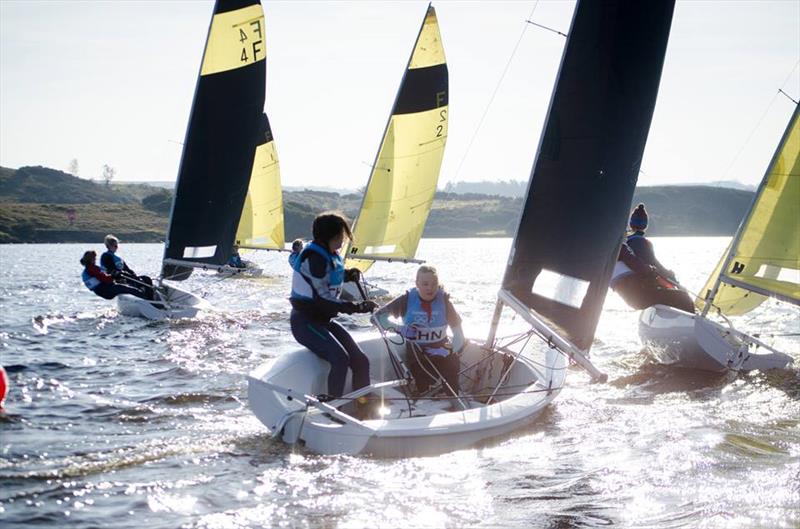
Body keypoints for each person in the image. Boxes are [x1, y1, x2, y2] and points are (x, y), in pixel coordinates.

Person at [289, 212, 377, 406]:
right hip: (305, 322)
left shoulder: (328, 254)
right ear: (329, 237)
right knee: (340, 359)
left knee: (361, 361)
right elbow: (323, 300)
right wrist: (357, 307)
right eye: (340, 236)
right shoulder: (315, 259)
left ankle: (364, 405)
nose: (343, 240)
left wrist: (347, 274)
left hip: (323, 321)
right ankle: (333, 407)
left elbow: (332, 277)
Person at [374, 265, 466, 398]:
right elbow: (376, 318)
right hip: (418, 354)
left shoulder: (445, 302)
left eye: (434, 284)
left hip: (442, 351)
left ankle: (452, 398)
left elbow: (459, 337)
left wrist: (447, 351)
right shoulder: (406, 299)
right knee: (424, 387)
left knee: (452, 368)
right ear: (417, 283)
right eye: (425, 284)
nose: (430, 288)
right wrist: (401, 329)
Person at [610, 204, 695, 313]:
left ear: (631, 224)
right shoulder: (632, 244)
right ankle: (694, 325)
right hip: (638, 294)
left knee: (674, 295)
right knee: (683, 297)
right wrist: (667, 275)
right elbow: (640, 264)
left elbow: (638, 263)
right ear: (645, 225)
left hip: (633, 293)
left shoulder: (621, 245)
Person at [81, 251, 151, 301]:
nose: (95, 260)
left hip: (103, 289)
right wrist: (113, 276)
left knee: (127, 286)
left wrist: (114, 275)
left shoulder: (90, 269)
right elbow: (104, 278)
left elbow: (104, 276)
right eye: (94, 258)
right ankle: (148, 300)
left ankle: (145, 297)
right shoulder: (91, 269)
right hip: (105, 291)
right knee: (128, 289)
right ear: (91, 260)